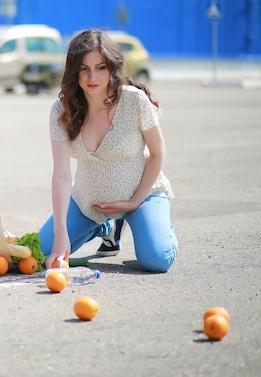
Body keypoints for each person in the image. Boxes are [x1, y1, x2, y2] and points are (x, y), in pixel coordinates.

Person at [39, 29, 178, 273]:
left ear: (111, 68)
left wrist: (134, 201)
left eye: (100, 67)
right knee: (42, 253)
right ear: (74, 71)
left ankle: (157, 227)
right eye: (84, 68)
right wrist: (60, 231)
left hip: (142, 196)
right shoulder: (61, 110)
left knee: (157, 259)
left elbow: (157, 153)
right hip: (88, 202)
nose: (92, 77)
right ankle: (105, 228)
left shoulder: (134, 101)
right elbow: (61, 174)